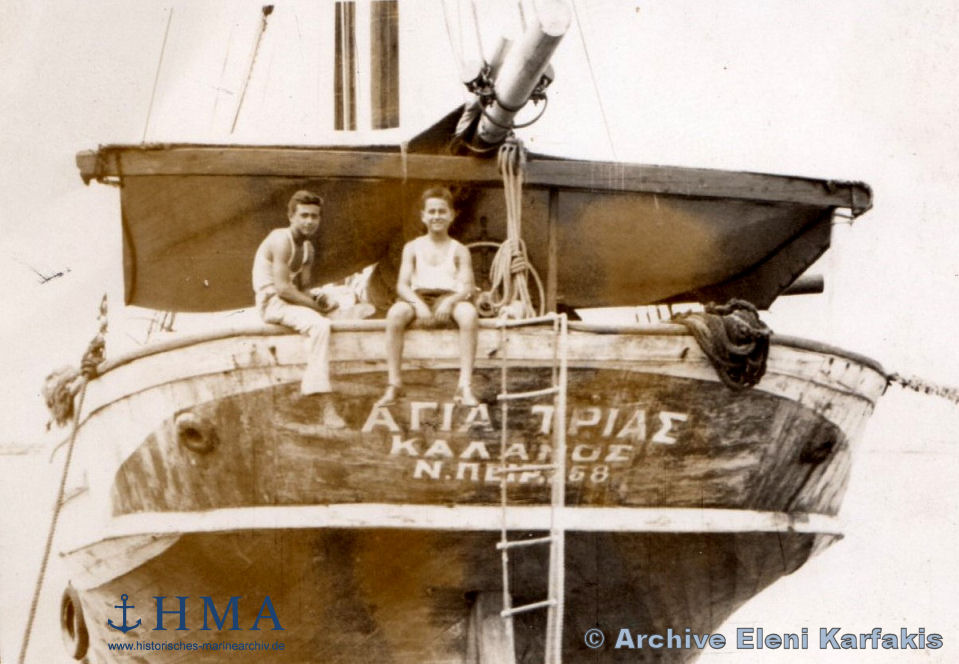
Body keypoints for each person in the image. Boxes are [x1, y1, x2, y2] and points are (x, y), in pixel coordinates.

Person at [376, 187, 479, 407]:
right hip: (419, 296)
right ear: (423, 216)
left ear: (451, 215)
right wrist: (418, 305)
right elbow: (402, 285)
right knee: (395, 313)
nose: (436, 216)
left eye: (442, 211)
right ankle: (394, 384)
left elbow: (467, 287)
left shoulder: (459, 250)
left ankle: (465, 386)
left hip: (448, 297)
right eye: (431, 212)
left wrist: (450, 301)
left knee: (469, 314)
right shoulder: (412, 247)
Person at [252, 190, 345, 427]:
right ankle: (321, 400)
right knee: (319, 325)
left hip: (288, 301)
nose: (309, 221)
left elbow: (303, 289)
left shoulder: (307, 250)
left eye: (314, 216)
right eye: (304, 215)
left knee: (341, 311)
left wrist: (322, 300)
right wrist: (317, 309)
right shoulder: (280, 240)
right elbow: (283, 289)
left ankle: (338, 379)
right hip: (271, 301)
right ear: (291, 216)